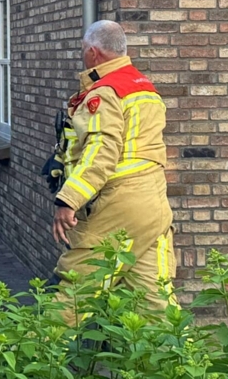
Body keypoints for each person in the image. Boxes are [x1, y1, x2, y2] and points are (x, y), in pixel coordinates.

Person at [50, 20, 177, 321]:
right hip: (154, 203)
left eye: (84, 52)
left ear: (94, 53)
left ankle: (34, 359)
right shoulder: (145, 88)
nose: (83, 57)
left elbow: (101, 153)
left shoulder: (104, 93)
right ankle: (182, 365)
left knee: (77, 289)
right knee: (153, 299)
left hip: (121, 201)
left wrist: (68, 199)